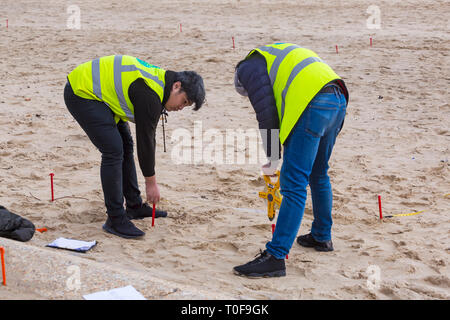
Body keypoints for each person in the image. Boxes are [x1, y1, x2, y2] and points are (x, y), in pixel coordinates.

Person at [233, 43, 349, 277]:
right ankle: (321, 236)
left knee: (294, 183)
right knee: (318, 173)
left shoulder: (247, 69)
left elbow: (266, 114)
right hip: (338, 98)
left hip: (313, 102)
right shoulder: (272, 55)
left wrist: (273, 160)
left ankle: (275, 256)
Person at [64, 55, 205, 239]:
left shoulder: (160, 86)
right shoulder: (150, 96)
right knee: (113, 150)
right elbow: (146, 141)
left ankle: (134, 206)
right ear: (176, 86)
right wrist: (151, 183)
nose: (181, 107)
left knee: (125, 144)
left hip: (103, 96)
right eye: (184, 101)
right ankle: (115, 219)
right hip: (81, 91)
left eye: (187, 106)